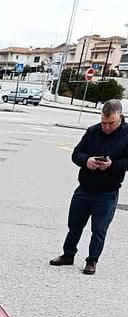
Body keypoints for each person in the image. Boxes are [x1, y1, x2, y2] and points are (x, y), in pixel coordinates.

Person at [49, 99, 128, 275]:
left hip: (107, 191)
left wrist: (112, 165)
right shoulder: (93, 131)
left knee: (99, 229)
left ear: (120, 117)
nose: (106, 127)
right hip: (85, 187)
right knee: (74, 225)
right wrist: (86, 160)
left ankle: (92, 260)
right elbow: (76, 153)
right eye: (103, 122)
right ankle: (68, 254)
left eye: (111, 123)